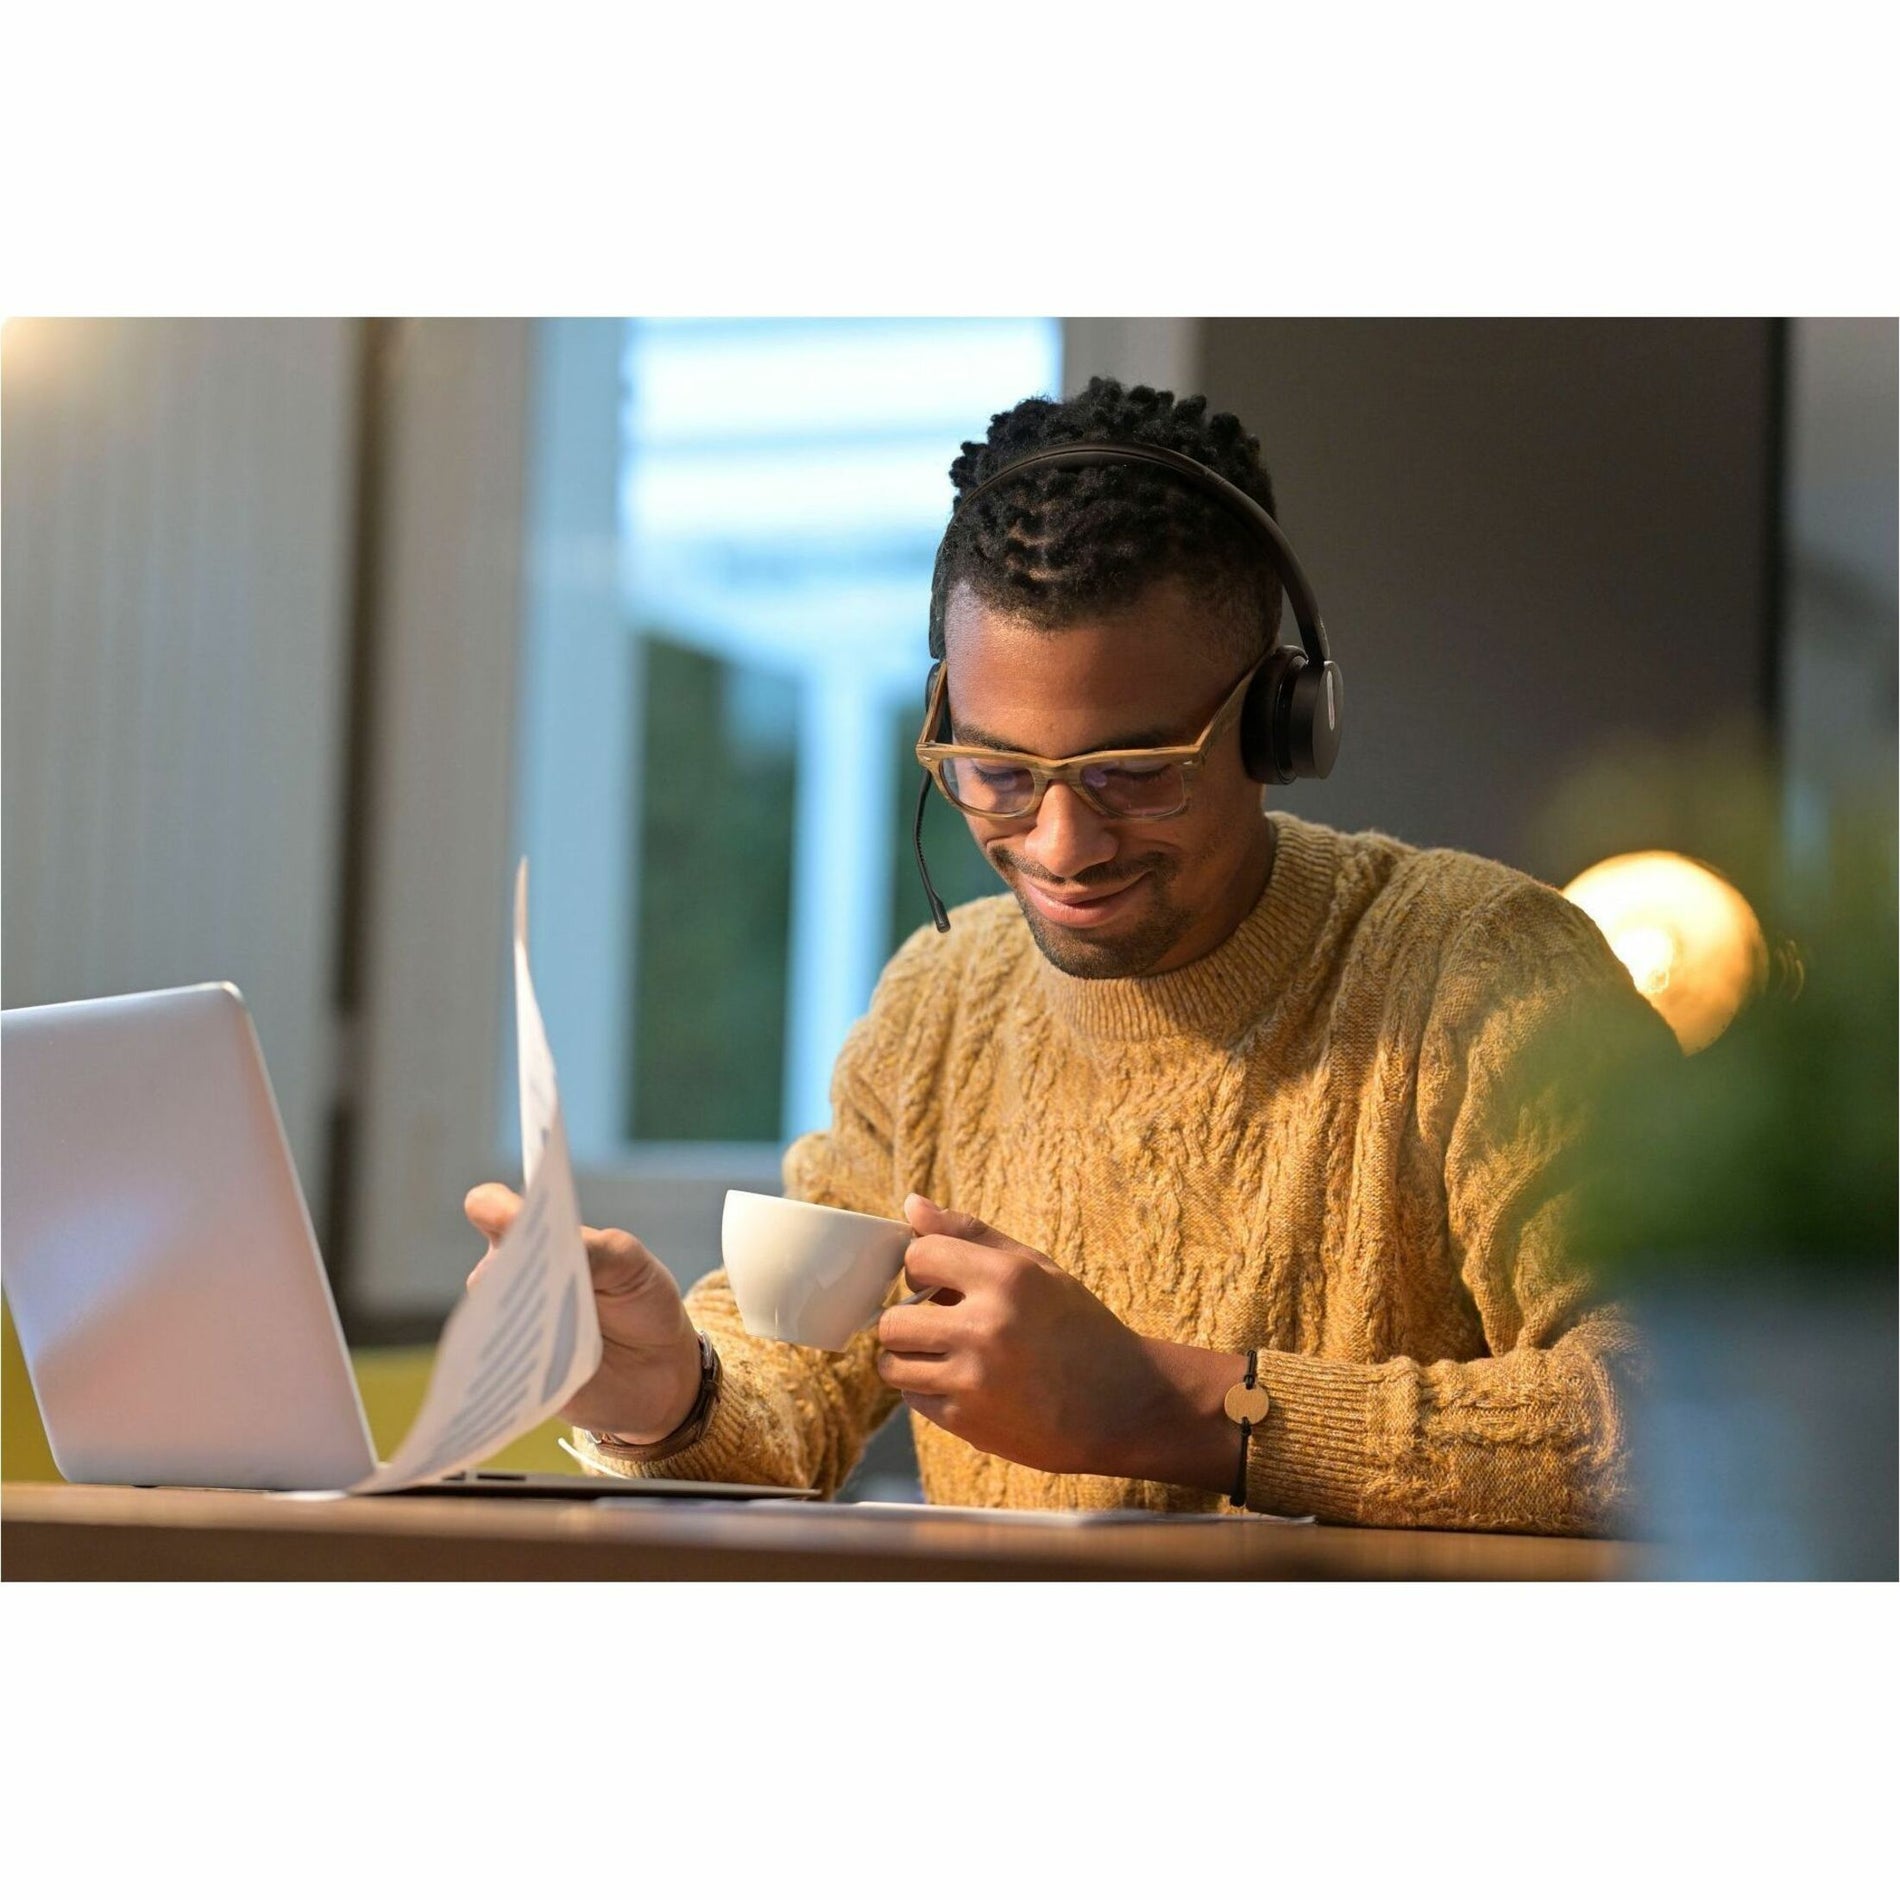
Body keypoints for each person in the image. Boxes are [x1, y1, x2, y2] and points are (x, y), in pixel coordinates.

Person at [465, 377, 1674, 1533]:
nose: (1060, 844)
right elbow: (794, 1400)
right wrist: (663, 1393)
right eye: (995, 772)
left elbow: (1682, 1413)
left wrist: (1174, 1404)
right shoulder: (941, 1002)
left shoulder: (1480, 974)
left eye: (1133, 777)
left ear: (1278, 723)